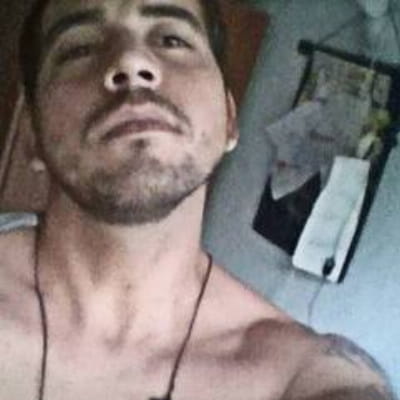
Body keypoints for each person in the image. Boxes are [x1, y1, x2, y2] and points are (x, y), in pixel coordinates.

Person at [0, 0, 395, 399]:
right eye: (80, 48)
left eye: (172, 40)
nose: (132, 61)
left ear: (229, 120)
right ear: (31, 135)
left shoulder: (303, 377)